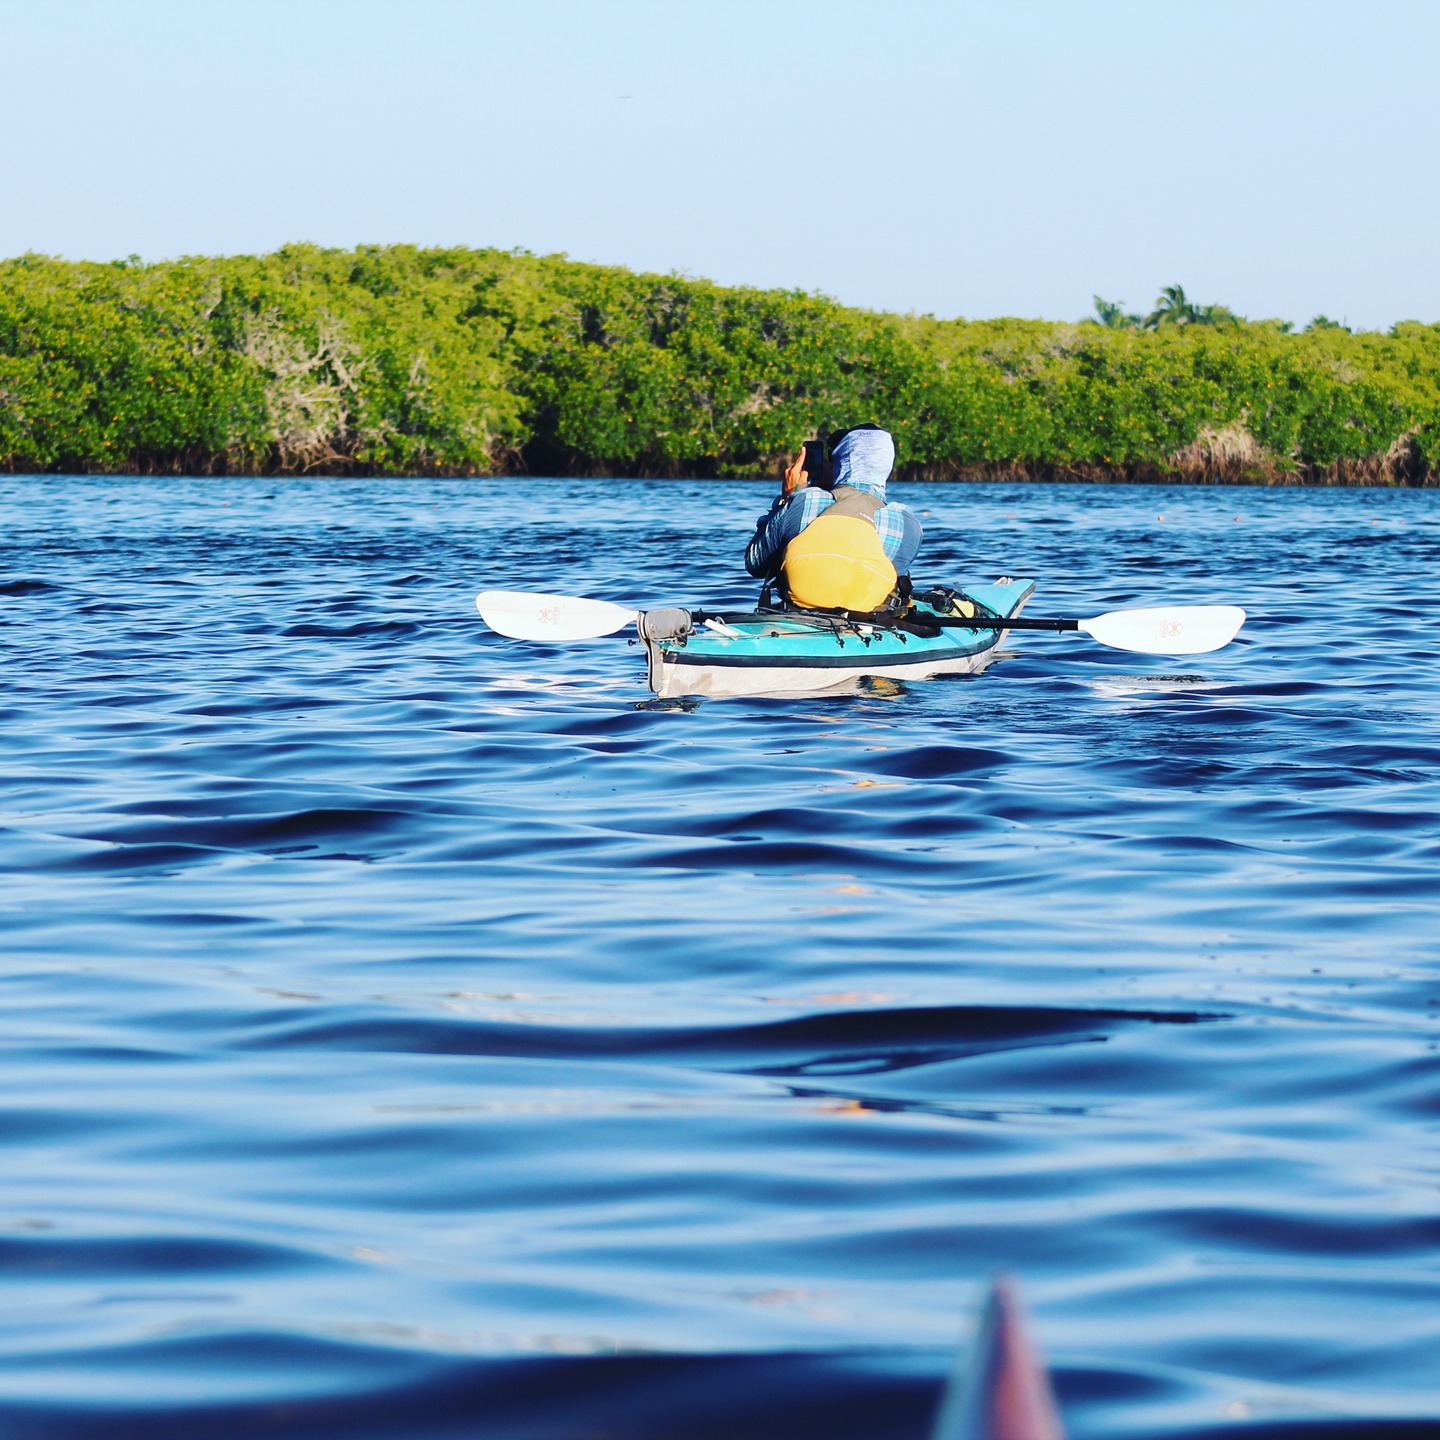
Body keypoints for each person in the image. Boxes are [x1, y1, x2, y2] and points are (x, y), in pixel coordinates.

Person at [745, 423, 922, 613]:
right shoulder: (906, 522)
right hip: (869, 622)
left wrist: (787, 498)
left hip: (796, 616)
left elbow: (755, 563)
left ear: (839, 462)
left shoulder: (804, 500)